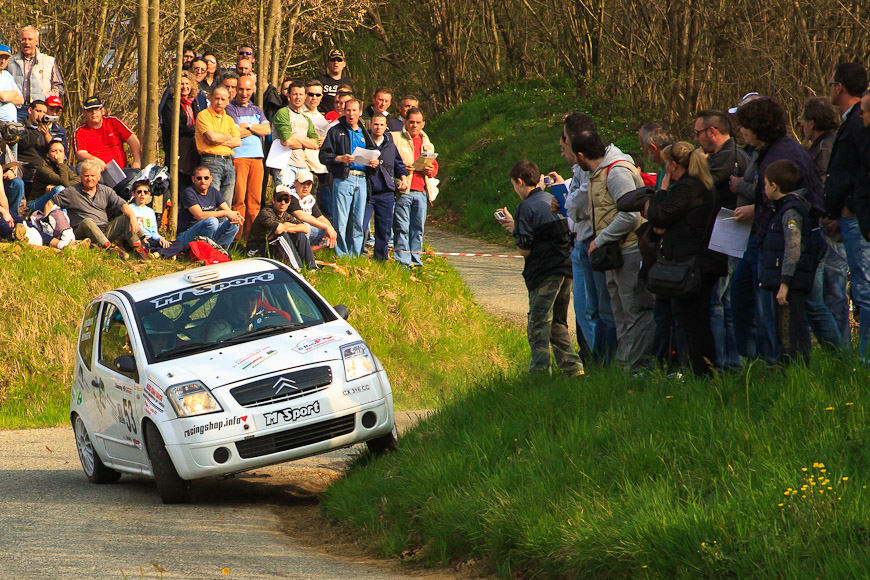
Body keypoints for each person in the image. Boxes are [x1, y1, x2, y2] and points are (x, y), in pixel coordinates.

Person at [573, 131, 654, 371]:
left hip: (629, 249)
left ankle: (640, 368)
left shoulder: (616, 172)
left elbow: (630, 214)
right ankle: (625, 365)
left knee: (634, 310)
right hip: (613, 254)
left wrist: (601, 239)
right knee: (618, 312)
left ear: (580, 155)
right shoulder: (596, 174)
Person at [644, 142, 725, 376]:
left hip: (691, 264)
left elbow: (659, 215)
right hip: (705, 262)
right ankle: (704, 371)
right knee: (697, 320)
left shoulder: (687, 187)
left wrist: (662, 189)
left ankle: (702, 374)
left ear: (671, 166)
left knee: (693, 323)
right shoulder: (704, 185)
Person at [496, 160, 584, 376]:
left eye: (514, 185)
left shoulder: (525, 207)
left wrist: (516, 232)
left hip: (544, 272)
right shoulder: (551, 200)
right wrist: (516, 227)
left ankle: (539, 373)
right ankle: (573, 368)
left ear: (519, 181)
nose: (515, 190)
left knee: (538, 324)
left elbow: (524, 249)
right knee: (558, 323)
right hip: (566, 268)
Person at [548, 111, 616, 363]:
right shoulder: (579, 171)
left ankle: (604, 360)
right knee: (587, 310)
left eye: (564, 140)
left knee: (597, 310)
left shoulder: (597, 167)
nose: (563, 148)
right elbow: (575, 206)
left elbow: (581, 204)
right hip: (579, 240)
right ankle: (596, 360)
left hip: (592, 242)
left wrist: (569, 202)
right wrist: (565, 203)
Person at [693, 110, 750, 370]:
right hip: (725, 234)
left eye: (698, 133)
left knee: (719, 299)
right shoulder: (725, 155)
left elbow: (699, 188)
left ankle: (723, 360)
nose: (696, 139)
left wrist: (697, 163)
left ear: (712, 131)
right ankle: (730, 360)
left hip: (729, 235)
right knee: (724, 300)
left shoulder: (729, 156)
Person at [825, 63, 870, 359]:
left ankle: (866, 357)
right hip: (852, 217)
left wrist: (848, 208)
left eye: (831, 83)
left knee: (864, 290)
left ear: (839, 86)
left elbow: (863, 170)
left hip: (857, 219)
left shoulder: (857, 121)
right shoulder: (853, 119)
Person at [800, 96, 850, 348]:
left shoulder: (825, 148)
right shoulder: (821, 145)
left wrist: (828, 216)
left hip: (828, 226)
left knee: (832, 289)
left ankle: (841, 351)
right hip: (826, 223)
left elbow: (822, 187)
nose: (801, 126)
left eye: (802, 121)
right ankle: (838, 349)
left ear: (812, 122)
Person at [760, 159, 818, 366]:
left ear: (774, 186)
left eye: (765, 184)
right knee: (787, 331)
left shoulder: (790, 211)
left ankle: (793, 373)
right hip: (786, 281)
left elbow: (793, 248)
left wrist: (784, 283)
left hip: (789, 285)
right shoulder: (782, 209)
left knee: (788, 334)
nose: (764, 188)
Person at [45, 158, 145, 259]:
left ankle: (138, 249)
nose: (89, 179)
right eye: (86, 176)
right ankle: (109, 249)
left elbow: (122, 204)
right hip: (83, 233)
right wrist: (45, 222)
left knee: (126, 217)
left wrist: (133, 218)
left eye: (92, 176)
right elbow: (50, 202)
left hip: (104, 230)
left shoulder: (106, 191)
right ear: (80, 176)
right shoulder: (71, 192)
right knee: (87, 222)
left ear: (98, 177)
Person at [319, 98, 377, 258]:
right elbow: (323, 155)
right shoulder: (336, 130)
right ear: (344, 111)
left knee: (358, 221)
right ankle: (341, 254)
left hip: (362, 178)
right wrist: (340, 158)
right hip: (344, 178)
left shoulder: (364, 132)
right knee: (341, 220)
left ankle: (355, 255)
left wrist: (374, 163)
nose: (351, 114)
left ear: (360, 112)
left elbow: (373, 152)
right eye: (348, 110)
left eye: (354, 111)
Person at [392, 106, 438, 268]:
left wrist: (430, 170)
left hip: (421, 191)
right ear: (405, 122)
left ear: (423, 124)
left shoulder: (427, 142)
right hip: (404, 190)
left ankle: (416, 261)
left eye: (418, 122)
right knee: (402, 227)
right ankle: (402, 261)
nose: (414, 125)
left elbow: (434, 166)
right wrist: (402, 169)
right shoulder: (396, 138)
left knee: (417, 228)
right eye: (411, 122)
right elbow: (389, 162)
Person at [226, 75, 270, 238]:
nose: (244, 93)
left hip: (257, 158)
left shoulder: (257, 110)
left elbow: (267, 130)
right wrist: (255, 129)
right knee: (238, 199)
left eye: (248, 90)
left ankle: (252, 238)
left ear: (253, 90)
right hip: (239, 158)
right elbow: (234, 131)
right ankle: (236, 237)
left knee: (255, 201)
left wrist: (249, 126)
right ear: (236, 89)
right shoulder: (230, 108)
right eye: (241, 89)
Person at [363, 113, 408, 260]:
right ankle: (358, 255)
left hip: (386, 191)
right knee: (361, 226)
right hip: (367, 190)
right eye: (376, 124)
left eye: (381, 124)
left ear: (385, 126)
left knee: (384, 228)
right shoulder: (363, 141)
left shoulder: (390, 144)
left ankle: (380, 259)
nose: (378, 127)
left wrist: (403, 178)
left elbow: (398, 164)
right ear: (371, 125)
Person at [246, 186, 316, 269]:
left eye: (286, 200)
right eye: (279, 199)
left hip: (271, 247)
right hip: (255, 250)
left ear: (289, 202)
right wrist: (286, 226)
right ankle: (297, 269)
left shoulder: (286, 215)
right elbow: (279, 229)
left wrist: (286, 227)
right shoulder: (266, 213)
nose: (283, 203)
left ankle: (312, 267)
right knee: (281, 236)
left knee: (299, 234)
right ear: (273, 200)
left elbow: (305, 228)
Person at [73, 95, 141, 178]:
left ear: (103, 111)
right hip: (98, 173)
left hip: (122, 170)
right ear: (84, 113)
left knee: (135, 175)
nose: (94, 113)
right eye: (90, 110)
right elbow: (80, 154)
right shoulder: (80, 131)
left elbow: (133, 140)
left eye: (97, 109)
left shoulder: (114, 122)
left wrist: (137, 161)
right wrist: (96, 160)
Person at [195, 85, 241, 207]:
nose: (219, 102)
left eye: (223, 99)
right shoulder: (203, 115)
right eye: (216, 98)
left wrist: (217, 140)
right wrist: (227, 136)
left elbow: (238, 141)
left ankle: (223, 226)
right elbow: (212, 137)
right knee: (213, 201)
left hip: (229, 162)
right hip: (211, 160)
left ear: (228, 101)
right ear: (210, 97)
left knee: (227, 202)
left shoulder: (229, 119)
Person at [176, 165, 242, 250]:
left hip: (208, 233)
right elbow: (200, 216)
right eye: (199, 178)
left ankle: (219, 253)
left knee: (233, 224)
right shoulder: (189, 193)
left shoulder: (213, 191)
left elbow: (228, 210)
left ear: (211, 179)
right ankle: (202, 252)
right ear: (193, 179)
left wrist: (235, 217)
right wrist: (225, 213)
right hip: (186, 235)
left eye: (206, 178)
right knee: (212, 221)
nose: (203, 181)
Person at [7, 26, 65, 121]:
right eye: (23, 39)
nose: (26, 42)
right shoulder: (10, 62)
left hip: (40, 111)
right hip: (16, 110)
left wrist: (45, 99)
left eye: (30, 39)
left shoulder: (48, 61)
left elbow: (59, 87)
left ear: (37, 41)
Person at [271, 80, 319, 187]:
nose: (298, 97)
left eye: (301, 94)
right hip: (284, 165)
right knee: (286, 198)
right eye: (295, 94)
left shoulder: (306, 119)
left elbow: (315, 144)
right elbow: (287, 141)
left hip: (301, 165)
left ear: (305, 96)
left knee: (301, 200)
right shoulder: (283, 113)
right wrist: (306, 142)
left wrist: (297, 138)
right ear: (288, 96)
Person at [160, 70, 201, 190]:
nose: (185, 87)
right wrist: (194, 130)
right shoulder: (170, 102)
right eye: (181, 84)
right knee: (179, 182)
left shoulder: (194, 103)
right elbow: (172, 126)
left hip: (192, 149)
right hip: (177, 148)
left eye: (187, 84)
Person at [285, 169, 337, 250]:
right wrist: (326, 227)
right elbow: (301, 216)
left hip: (305, 231)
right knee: (306, 228)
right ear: (295, 183)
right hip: (292, 231)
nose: (306, 186)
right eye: (303, 183)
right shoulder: (290, 196)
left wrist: (331, 229)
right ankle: (299, 254)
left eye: (308, 184)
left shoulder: (310, 199)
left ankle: (305, 255)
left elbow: (320, 217)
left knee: (328, 236)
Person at [29, 139, 79, 213]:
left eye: (60, 151)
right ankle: (63, 220)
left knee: (62, 189)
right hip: (35, 204)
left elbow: (78, 181)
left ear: (64, 155)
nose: (57, 153)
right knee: (60, 189)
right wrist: (60, 163)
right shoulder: (43, 168)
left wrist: (55, 185)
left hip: (53, 201)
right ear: (47, 155)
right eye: (54, 151)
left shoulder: (65, 167)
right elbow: (63, 182)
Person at [127, 180, 173, 257]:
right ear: (133, 194)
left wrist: (161, 239)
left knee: (176, 244)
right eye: (139, 192)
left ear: (149, 195)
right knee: (142, 245)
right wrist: (141, 238)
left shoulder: (150, 211)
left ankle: (156, 253)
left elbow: (154, 232)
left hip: (150, 239)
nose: (142, 194)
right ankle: (163, 253)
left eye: (145, 192)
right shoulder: (129, 208)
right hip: (137, 239)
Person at [16, 100, 53, 195]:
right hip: (25, 167)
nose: (41, 115)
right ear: (30, 110)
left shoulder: (45, 130)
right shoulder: (20, 126)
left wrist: (47, 136)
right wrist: (37, 131)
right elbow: (22, 144)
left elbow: (54, 151)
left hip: (42, 169)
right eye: (38, 111)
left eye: (44, 112)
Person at [317, 49, 353, 114]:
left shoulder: (348, 82)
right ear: (328, 63)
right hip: (324, 119)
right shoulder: (320, 80)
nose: (336, 62)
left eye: (339, 60)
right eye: (333, 60)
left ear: (344, 63)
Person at [0, 44, 24, 124]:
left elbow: (21, 99)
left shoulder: (7, 75)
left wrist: (8, 97)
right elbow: (3, 97)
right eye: (0, 57)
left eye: (5, 58)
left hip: (11, 126)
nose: (2, 61)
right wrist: (14, 93)